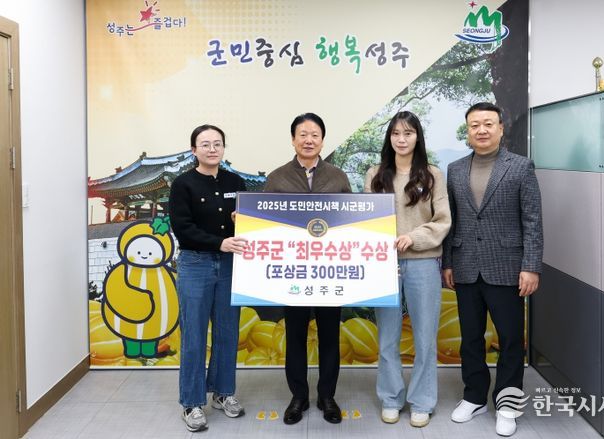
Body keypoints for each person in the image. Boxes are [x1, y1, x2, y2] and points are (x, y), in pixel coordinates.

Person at [442, 102, 543, 437]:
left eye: (488, 123)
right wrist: (448, 262)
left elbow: (532, 220)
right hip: (466, 266)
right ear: (467, 131)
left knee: (511, 339)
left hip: (508, 267)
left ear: (501, 128)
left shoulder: (521, 167)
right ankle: (474, 397)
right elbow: (452, 220)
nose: (481, 130)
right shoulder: (455, 169)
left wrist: (531, 266)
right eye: (474, 125)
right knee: (470, 338)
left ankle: (507, 404)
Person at [364, 111, 451, 428]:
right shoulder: (375, 174)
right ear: (389, 138)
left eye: (408, 133)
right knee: (387, 336)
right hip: (383, 264)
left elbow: (443, 220)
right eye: (396, 133)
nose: (401, 139)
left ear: (418, 137)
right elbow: (366, 218)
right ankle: (390, 397)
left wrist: (413, 238)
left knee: (425, 336)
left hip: (423, 262)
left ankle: (422, 401)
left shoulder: (432, 175)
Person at [264, 113, 351, 425]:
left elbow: (352, 221)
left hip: (330, 271)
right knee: (295, 337)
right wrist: (243, 219)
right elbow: (262, 220)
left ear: (323, 141)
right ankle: (298, 396)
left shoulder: (338, 177)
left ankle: (327, 396)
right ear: (293, 140)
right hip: (293, 272)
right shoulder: (277, 178)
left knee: (329, 336)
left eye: (315, 134)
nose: (309, 140)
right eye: (302, 134)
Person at [169, 124, 247, 432]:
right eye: (205, 144)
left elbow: (249, 223)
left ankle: (224, 393)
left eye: (217, 143)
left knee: (227, 332)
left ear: (224, 148)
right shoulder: (182, 184)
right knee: (194, 335)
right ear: (194, 150)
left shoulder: (235, 182)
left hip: (230, 264)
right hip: (195, 264)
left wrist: (241, 221)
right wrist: (219, 242)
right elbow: (183, 228)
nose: (212, 149)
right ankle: (191, 402)